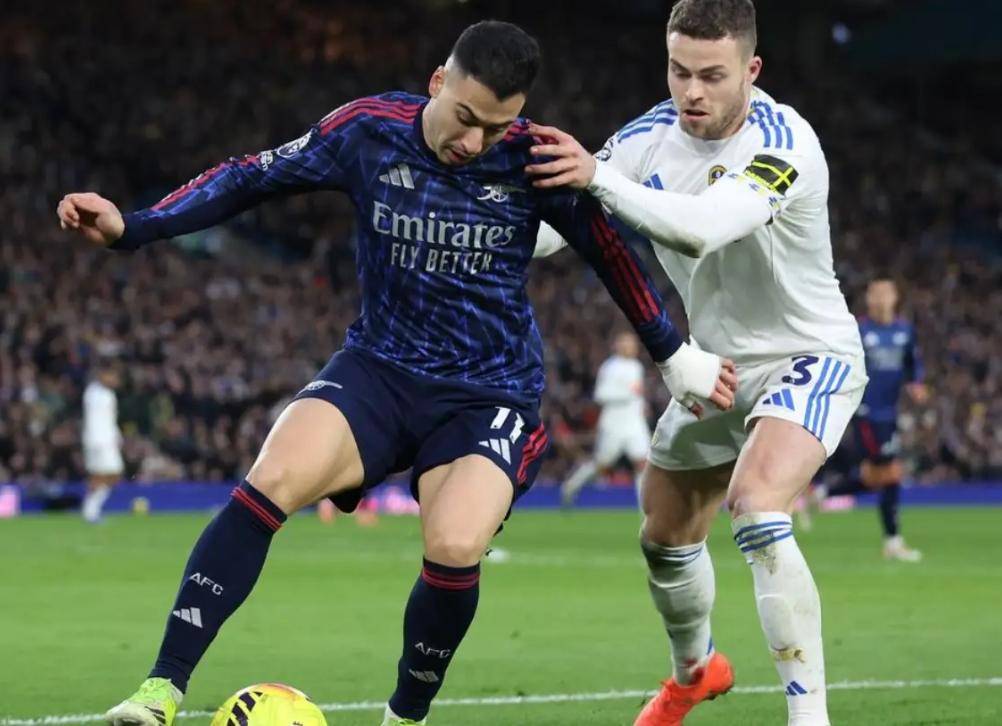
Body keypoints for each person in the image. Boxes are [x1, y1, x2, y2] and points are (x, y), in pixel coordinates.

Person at [57, 20, 736, 726]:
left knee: (455, 545)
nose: (474, 141)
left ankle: (405, 716)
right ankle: (160, 689)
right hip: (379, 368)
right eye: (465, 117)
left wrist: (673, 354)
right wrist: (135, 227)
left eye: (496, 127)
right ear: (438, 83)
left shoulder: (537, 160)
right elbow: (250, 176)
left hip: (488, 393)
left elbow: (611, 255)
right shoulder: (369, 130)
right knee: (271, 478)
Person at [526, 1, 865, 723]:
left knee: (757, 503)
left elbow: (704, 229)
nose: (692, 91)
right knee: (664, 536)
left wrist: (595, 178)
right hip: (717, 372)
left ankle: (810, 718)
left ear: (752, 70)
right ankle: (695, 672)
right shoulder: (647, 137)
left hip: (808, 356)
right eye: (679, 71)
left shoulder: (785, 142)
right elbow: (559, 230)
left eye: (712, 75)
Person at [810, 277, 927, 561]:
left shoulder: (904, 331)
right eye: (875, 293)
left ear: (895, 297)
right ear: (868, 298)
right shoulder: (859, 331)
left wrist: (916, 385)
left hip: (890, 413)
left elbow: (912, 366)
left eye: (886, 293)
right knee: (891, 473)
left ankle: (823, 493)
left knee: (880, 477)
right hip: (866, 413)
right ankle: (893, 541)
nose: (881, 298)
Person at [561, 331, 650, 506]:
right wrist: (628, 394)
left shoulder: (637, 366)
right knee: (601, 464)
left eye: (633, 343)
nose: (632, 347)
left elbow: (638, 396)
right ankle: (571, 486)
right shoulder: (610, 367)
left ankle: (645, 510)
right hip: (613, 424)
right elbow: (600, 395)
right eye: (627, 343)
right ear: (619, 346)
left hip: (635, 424)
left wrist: (641, 407)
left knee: (643, 464)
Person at [81, 362, 124, 523]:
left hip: (106, 440)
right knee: (105, 474)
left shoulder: (108, 394)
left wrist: (117, 435)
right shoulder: (93, 393)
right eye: (113, 376)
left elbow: (109, 419)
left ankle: (90, 508)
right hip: (98, 441)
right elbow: (94, 420)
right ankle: (90, 511)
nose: (116, 380)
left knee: (110, 474)